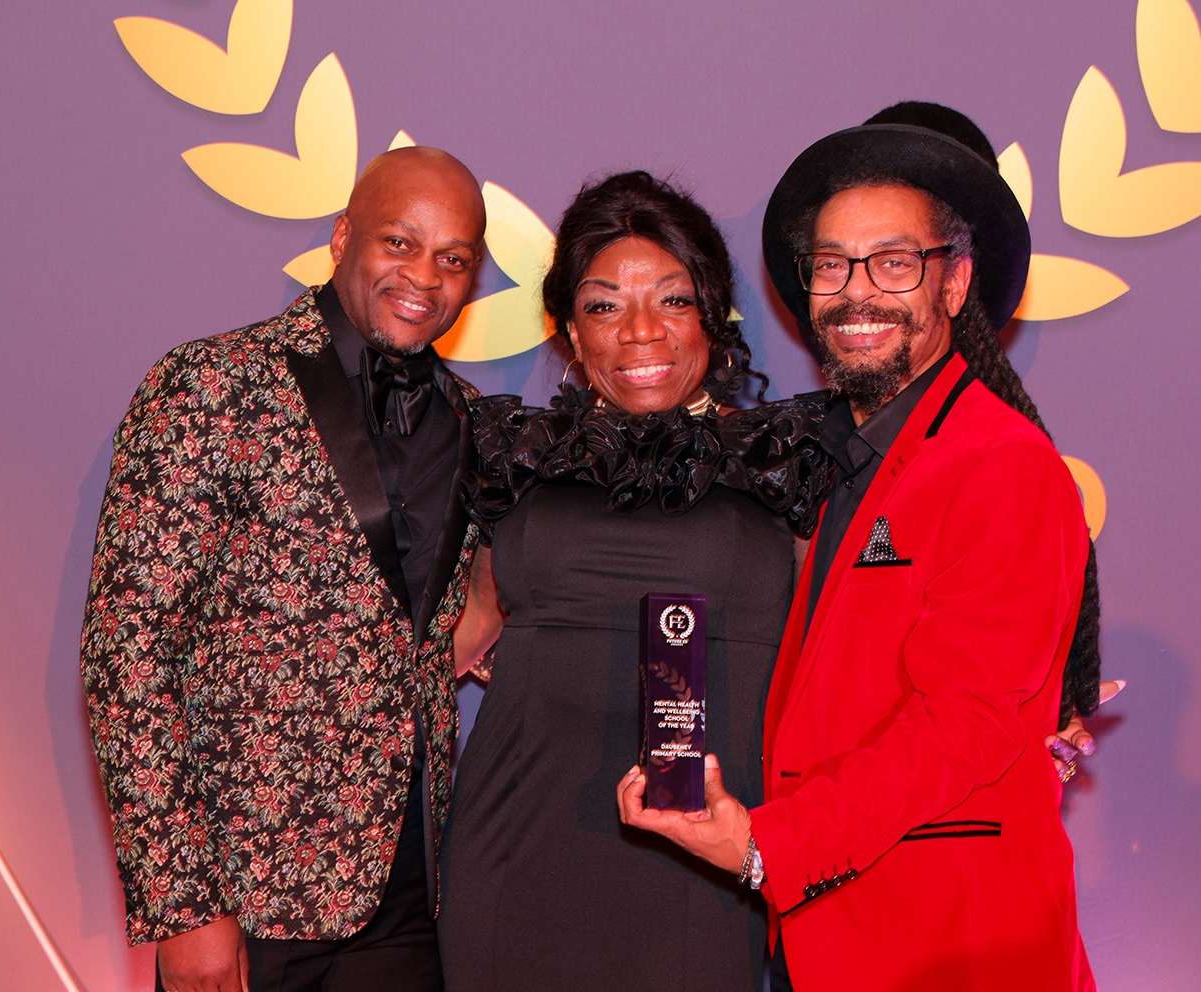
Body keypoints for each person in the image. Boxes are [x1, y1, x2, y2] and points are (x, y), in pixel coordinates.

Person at [618, 109, 1098, 991]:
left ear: (953, 286)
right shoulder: (854, 459)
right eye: (833, 264)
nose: (856, 291)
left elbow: (966, 721)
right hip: (832, 932)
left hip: (949, 942)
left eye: (894, 262)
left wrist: (771, 843)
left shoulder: (1002, 464)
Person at [80, 146, 487, 992]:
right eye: (400, 242)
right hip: (245, 899)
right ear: (342, 238)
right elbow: (128, 653)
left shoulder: (474, 421)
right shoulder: (211, 385)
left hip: (411, 898)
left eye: (454, 258)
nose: (426, 276)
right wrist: (184, 903)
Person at [436, 171, 832, 992]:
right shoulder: (518, 456)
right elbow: (462, 630)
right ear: (572, 335)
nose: (640, 333)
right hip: (514, 847)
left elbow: (858, 638)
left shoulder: (786, 464)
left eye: (672, 301)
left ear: (713, 319)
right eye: (604, 305)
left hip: (707, 857)